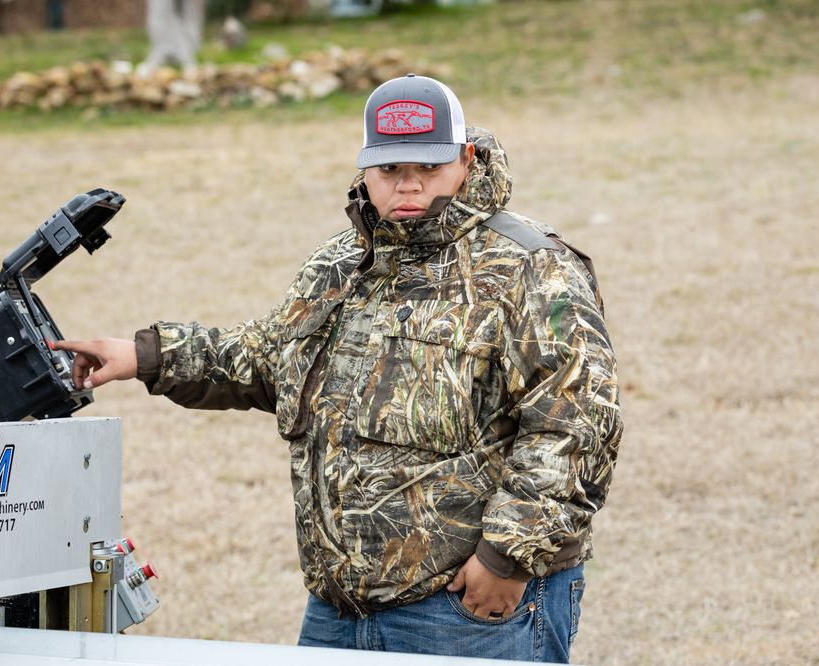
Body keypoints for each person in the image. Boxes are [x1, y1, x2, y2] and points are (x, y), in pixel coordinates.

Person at [55, 74, 622, 663]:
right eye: (390, 170)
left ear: (465, 158)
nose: (408, 186)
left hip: (466, 607)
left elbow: (576, 427)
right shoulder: (340, 263)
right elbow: (270, 357)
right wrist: (144, 356)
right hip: (338, 608)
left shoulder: (532, 267)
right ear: (365, 169)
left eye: (428, 169)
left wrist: (504, 559)